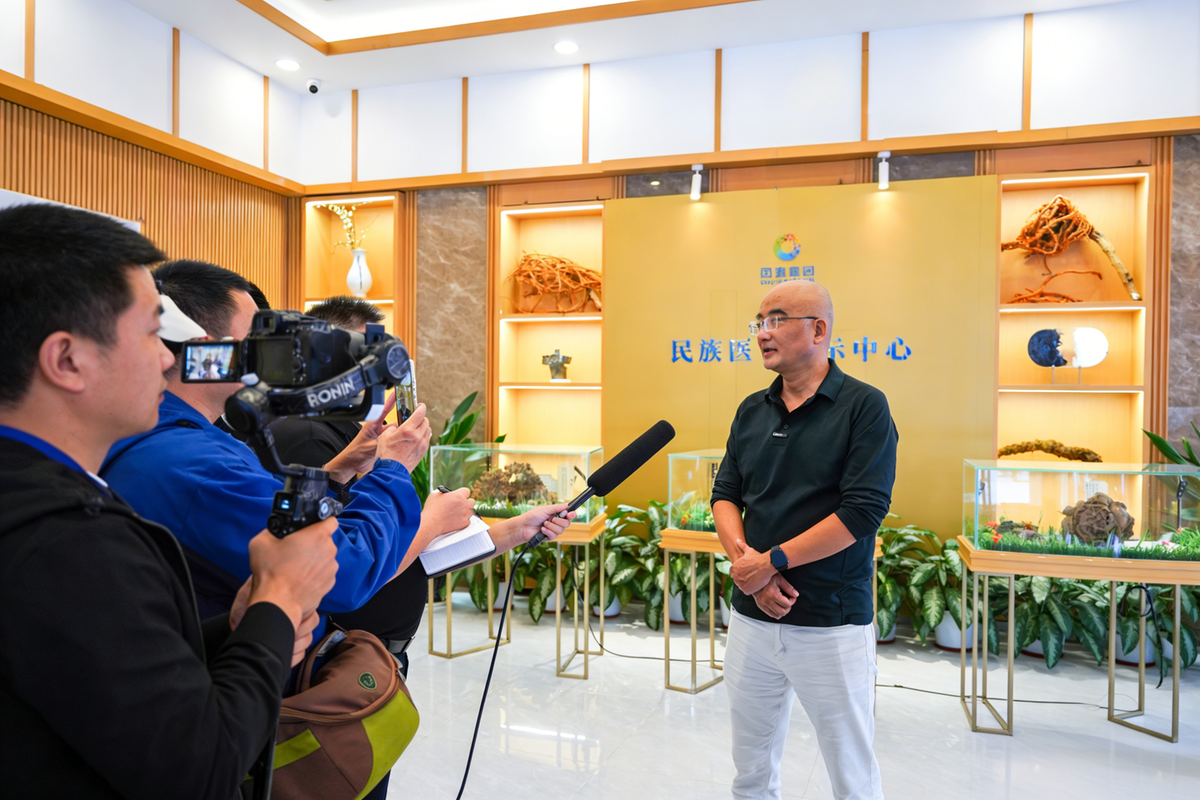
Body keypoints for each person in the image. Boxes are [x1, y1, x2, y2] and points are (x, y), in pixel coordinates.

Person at [0, 203, 340, 799]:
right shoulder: (66, 541)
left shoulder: (43, 501)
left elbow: (103, 677)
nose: (167, 359)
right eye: (151, 333)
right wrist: (281, 599)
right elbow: (200, 769)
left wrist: (246, 627)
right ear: (67, 360)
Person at [711, 280, 897, 800]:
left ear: (818, 330)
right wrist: (750, 570)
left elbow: (863, 511)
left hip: (830, 622)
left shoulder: (864, 406)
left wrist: (771, 562)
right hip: (752, 618)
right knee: (750, 769)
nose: (762, 333)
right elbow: (725, 495)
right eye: (759, 322)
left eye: (776, 320)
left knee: (851, 773)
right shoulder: (752, 409)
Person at [250, 296, 430, 677]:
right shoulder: (306, 434)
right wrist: (430, 522)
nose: (375, 371)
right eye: (362, 356)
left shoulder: (341, 428)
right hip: (337, 659)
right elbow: (342, 563)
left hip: (366, 652)